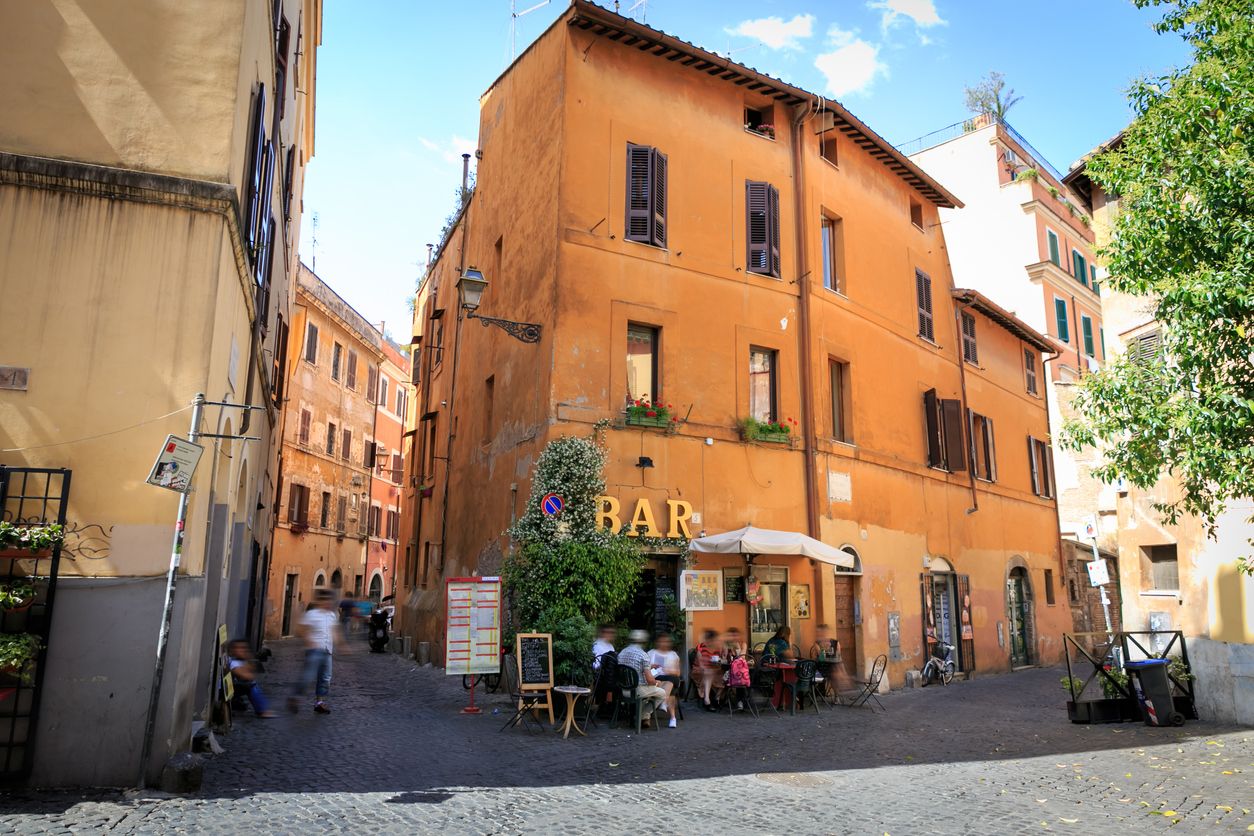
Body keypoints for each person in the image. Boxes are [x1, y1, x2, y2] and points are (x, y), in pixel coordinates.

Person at [289, 589, 337, 714]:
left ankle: (319, 703)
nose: (328, 602)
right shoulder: (312, 614)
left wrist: (342, 645)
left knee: (326, 678)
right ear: (320, 601)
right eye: (325, 600)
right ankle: (295, 698)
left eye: (329, 600)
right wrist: (308, 640)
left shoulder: (332, 615)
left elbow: (334, 631)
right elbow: (300, 629)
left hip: (327, 650)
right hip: (315, 650)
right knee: (308, 677)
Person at [618, 629, 675, 729]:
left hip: (624, 690)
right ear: (644, 642)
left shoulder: (622, 653)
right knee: (661, 693)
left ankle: (642, 717)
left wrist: (649, 666)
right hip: (638, 691)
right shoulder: (643, 655)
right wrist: (656, 682)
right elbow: (650, 680)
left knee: (650, 693)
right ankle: (642, 715)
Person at [227, 639, 274, 718]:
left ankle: (262, 709)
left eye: (244, 649)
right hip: (225, 689)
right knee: (251, 685)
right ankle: (261, 711)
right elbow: (247, 676)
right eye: (239, 648)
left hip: (231, 686)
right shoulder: (233, 662)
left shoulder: (239, 661)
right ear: (232, 650)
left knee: (252, 684)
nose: (242, 651)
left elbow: (250, 672)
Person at [649, 632, 682, 722]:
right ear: (657, 642)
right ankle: (671, 716)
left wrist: (669, 671)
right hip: (655, 678)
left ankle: (663, 701)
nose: (664, 643)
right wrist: (651, 666)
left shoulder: (673, 655)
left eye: (666, 641)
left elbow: (678, 673)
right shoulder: (651, 653)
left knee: (671, 679)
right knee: (667, 685)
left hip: (670, 677)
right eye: (661, 641)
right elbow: (645, 669)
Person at [696, 629, 723, 711]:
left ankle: (716, 698)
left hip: (714, 670)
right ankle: (707, 699)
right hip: (700, 670)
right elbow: (700, 664)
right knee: (708, 672)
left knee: (727, 676)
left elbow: (719, 662)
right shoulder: (701, 647)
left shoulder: (717, 649)